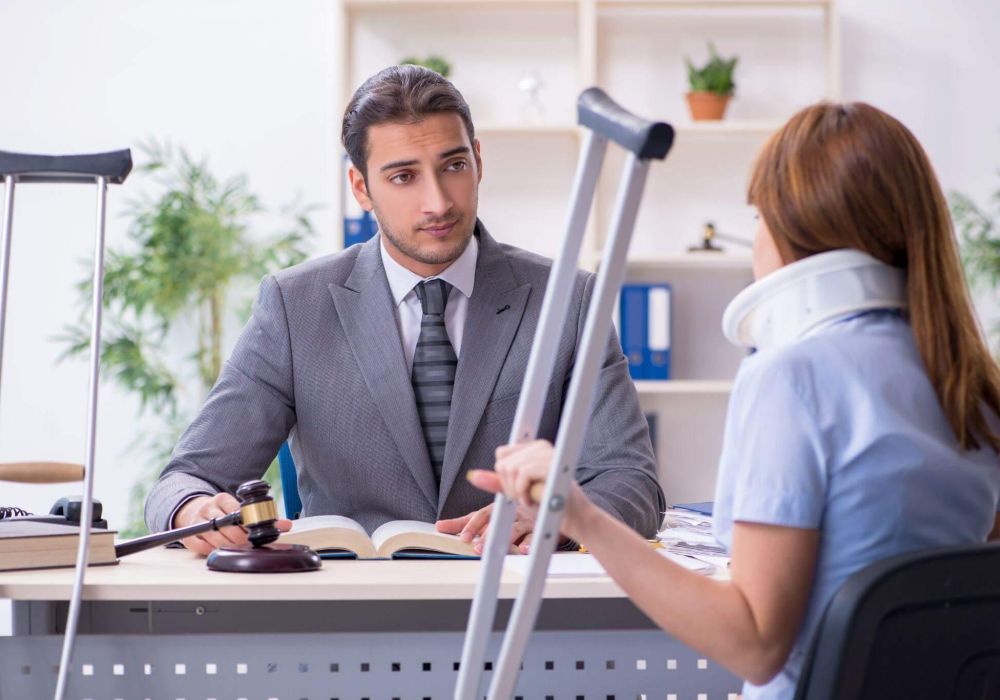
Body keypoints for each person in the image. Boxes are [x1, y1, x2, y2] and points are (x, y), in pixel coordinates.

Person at [471, 101, 1000, 699]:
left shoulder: (792, 378)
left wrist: (581, 515)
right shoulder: (970, 386)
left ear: (796, 229)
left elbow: (754, 643)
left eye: (758, 217)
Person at [144, 64, 665, 555]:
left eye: (453, 166)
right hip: (347, 614)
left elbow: (633, 483)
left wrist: (561, 515)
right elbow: (185, 480)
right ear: (360, 188)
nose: (438, 202)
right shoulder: (293, 306)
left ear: (478, 161)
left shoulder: (568, 300)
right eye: (403, 177)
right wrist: (195, 509)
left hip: (513, 604)